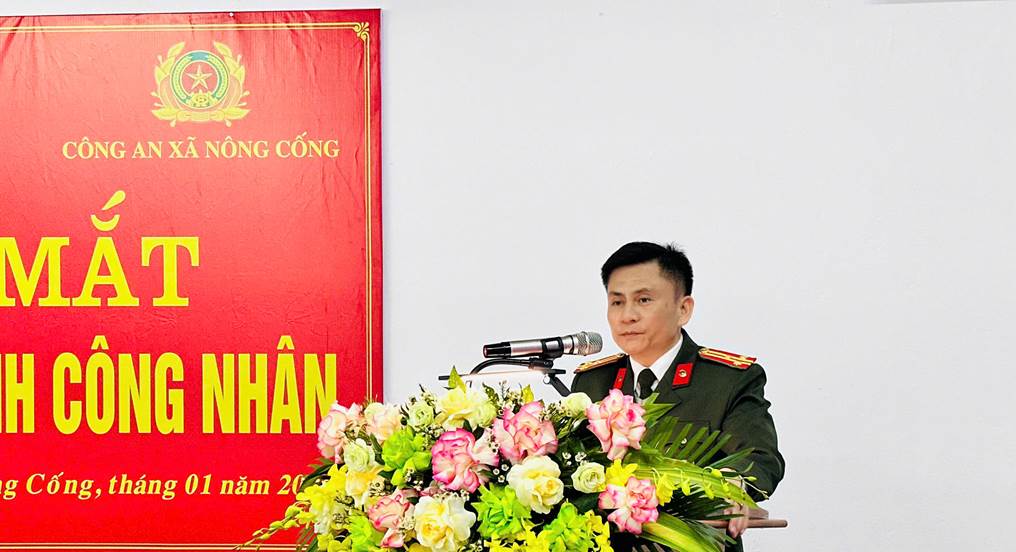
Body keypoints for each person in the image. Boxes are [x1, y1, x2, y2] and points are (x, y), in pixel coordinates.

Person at [571, 242, 785, 552]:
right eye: (617, 302)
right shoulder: (591, 381)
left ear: (684, 309)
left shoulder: (727, 380)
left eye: (644, 300)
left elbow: (760, 457)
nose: (627, 315)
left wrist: (733, 485)